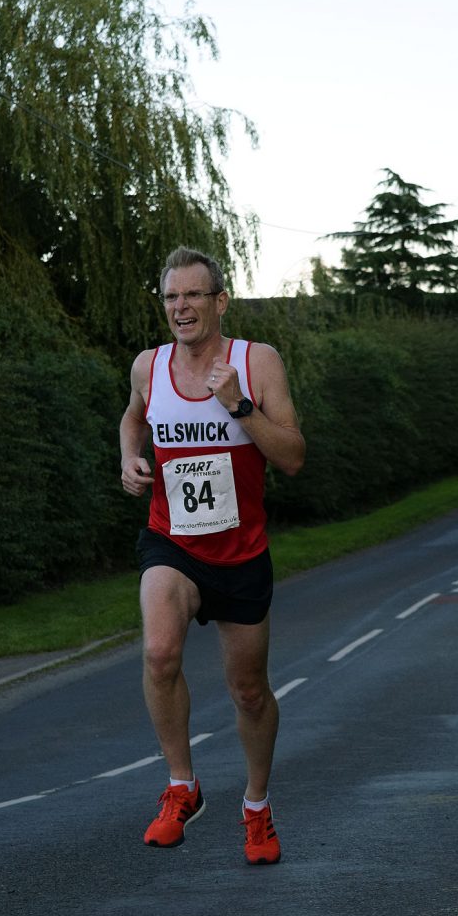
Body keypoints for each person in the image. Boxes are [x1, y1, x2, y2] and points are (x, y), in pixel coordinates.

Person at [119, 246, 305, 865]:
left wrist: (239, 406)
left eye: (193, 295)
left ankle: (256, 806)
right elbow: (133, 417)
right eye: (172, 298)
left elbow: (293, 457)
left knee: (249, 691)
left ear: (220, 301)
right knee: (158, 650)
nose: (181, 308)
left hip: (241, 550)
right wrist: (129, 456)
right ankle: (182, 785)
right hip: (171, 540)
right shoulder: (151, 365)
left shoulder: (257, 363)